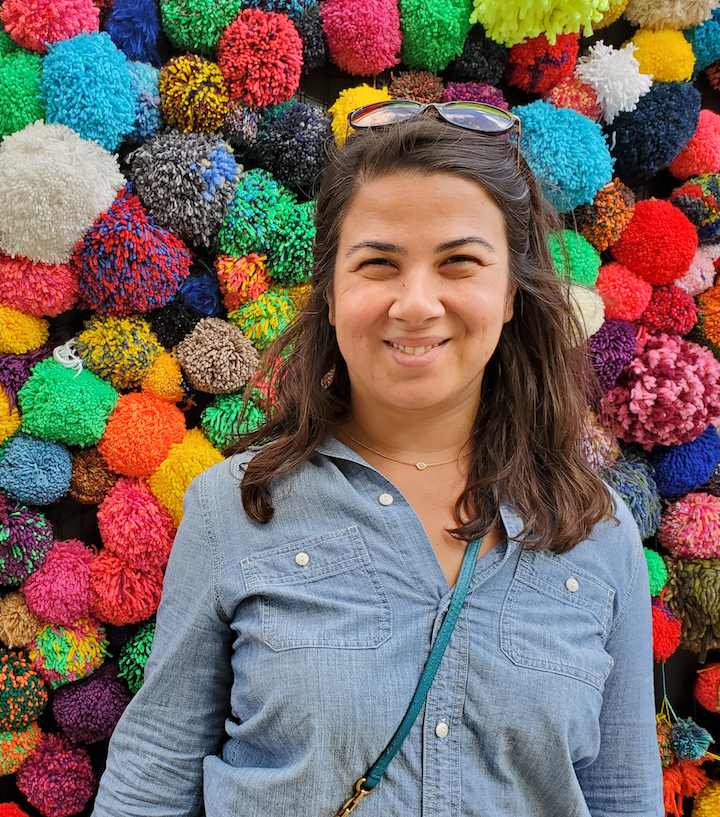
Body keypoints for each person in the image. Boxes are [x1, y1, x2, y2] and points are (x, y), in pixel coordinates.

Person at [92, 105, 663, 817]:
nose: (415, 303)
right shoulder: (232, 509)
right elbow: (151, 780)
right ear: (330, 292)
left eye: (459, 262)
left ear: (512, 293)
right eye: (378, 264)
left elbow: (623, 795)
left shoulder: (597, 535)